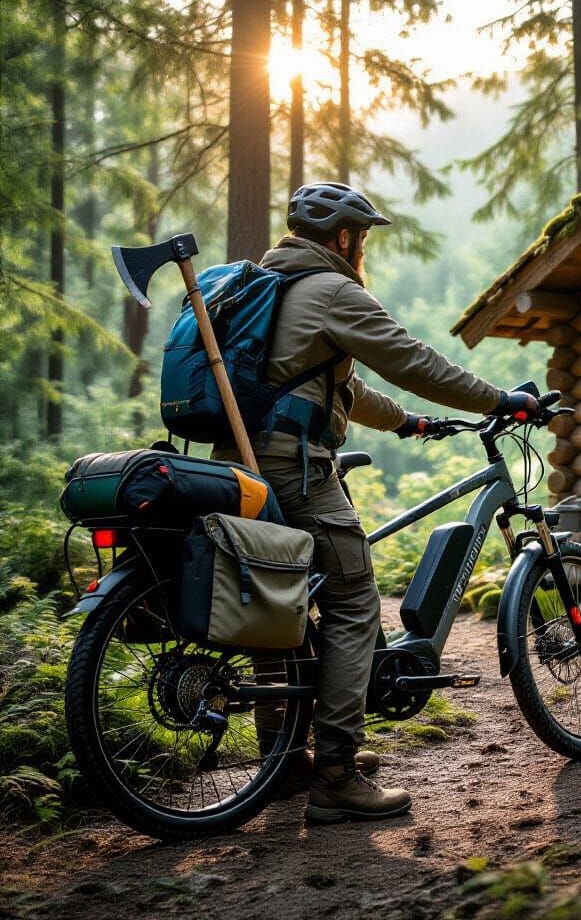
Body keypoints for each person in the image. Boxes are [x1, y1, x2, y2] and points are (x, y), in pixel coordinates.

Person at [217, 181, 537, 826]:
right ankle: (336, 774)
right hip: (293, 466)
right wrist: (498, 400)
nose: (362, 248)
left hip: (239, 465)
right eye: (361, 237)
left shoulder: (262, 290)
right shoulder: (334, 290)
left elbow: (340, 383)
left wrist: (407, 425)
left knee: (283, 603)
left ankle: (283, 759)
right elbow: (411, 361)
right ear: (344, 238)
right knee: (355, 601)